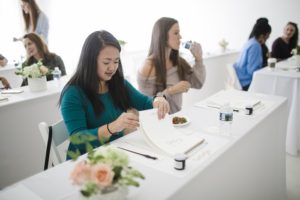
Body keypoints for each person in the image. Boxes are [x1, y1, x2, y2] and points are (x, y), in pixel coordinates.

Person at [59, 30, 170, 158]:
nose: (112, 68)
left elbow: (144, 102)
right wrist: (113, 127)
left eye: (116, 61)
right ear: (89, 61)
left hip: (115, 153)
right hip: (85, 161)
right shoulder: (72, 94)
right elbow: (78, 139)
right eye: (106, 62)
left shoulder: (117, 83)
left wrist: (157, 100)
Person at [137, 17, 206, 114]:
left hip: (177, 119)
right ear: (163, 36)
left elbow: (198, 84)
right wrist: (171, 91)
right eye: (176, 33)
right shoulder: (148, 67)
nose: (180, 37)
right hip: (158, 123)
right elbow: (145, 105)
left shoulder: (178, 61)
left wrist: (199, 59)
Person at [234, 19, 272, 91]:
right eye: (268, 35)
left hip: (240, 79)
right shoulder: (255, 46)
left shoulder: (250, 42)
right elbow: (252, 71)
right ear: (263, 35)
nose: (269, 37)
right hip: (246, 82)